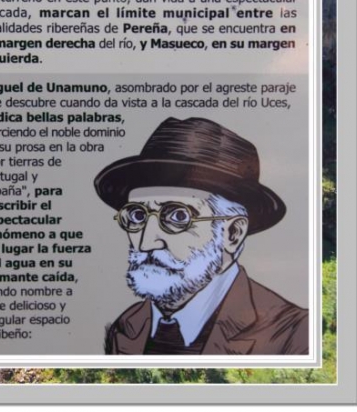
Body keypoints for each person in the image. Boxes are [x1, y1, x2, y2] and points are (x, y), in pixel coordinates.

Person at [94, 117, 309, 355]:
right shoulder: (126, 327)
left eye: (177, 217)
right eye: (137, 216)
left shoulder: (294, 336)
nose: (146, 242)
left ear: (233, 233)